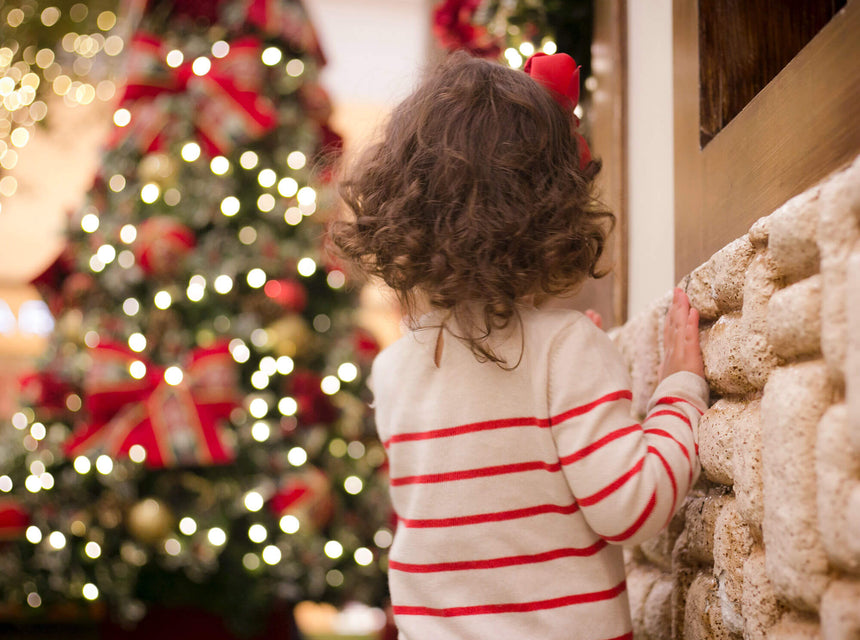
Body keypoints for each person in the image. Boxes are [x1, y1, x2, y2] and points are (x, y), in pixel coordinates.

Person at [331, 51, 707, 640]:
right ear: (554, 209)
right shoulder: (566, 349)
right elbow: (631, 506)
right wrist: (679, 393)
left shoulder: (392, 369)